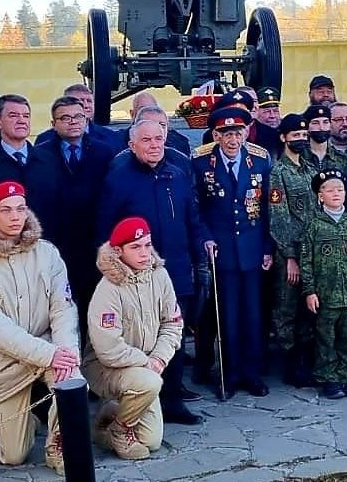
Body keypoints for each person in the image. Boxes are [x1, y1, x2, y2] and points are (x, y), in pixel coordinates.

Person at [0, 181, 80, 473]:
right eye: (6, 210)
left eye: (21, 209)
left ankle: (60, 444)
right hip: (6, 363)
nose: (15, 217)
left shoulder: (48, 253)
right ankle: (25, 420)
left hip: (49, 348)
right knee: (14, 455)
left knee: (71, 380)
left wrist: (65, 352)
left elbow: (63, 308)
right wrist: (48, 354)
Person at [96, 118, 211, 424]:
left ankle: (173, 401)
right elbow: (105, 230)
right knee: (141, 337)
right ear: (132, 145)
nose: (154, 145)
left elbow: (192, 220)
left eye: (159, 139)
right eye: (146, 140)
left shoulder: (178, 174)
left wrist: (200, 251)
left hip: (177, 271)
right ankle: (143, 401)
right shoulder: (118, 180)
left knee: (173, 336)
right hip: (135, 276)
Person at [85, 217, 184, 460]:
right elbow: (108, 349)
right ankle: (120, 430)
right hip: (108, 368)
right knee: (149, 383)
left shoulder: (160, 276)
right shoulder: (108, 288)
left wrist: (158, 359)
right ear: (118, 252)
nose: (144, 253)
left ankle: (110, 416)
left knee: (151, 441)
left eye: (147, 245)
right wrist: (146, 362)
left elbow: (173, 323)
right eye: (135, 247)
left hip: (146, 369)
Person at [191, 107, 273, 397]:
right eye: (226, 134)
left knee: (253, 315)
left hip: (252, 249)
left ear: (246, 133)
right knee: (227, 316)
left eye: (237, 133)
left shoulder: (260, 160)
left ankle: (252, 373)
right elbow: (197, 207)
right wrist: (206, 238)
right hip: (221, 250)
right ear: (216, 135)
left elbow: (267, 208)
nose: (232, 140)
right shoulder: (201, 162)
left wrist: (267, 247)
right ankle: (230, 374)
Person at [35, 95, 113, 348]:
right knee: (57, 310)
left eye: (78, 117)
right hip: (56, 243)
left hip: (94, 243)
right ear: (53, 123)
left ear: (86, 118)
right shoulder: (41, 154)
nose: (73, 122)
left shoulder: (103, 152)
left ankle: (94, 362)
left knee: (94, 310)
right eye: (65, 118)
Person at [301, 169, 347, 399]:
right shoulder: (314, 226)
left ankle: (346, 375)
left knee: (346, 338)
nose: (336, 193)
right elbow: (306, 261)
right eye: (330, 190)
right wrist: (309, 291)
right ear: (320, 196)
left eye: (340, 189)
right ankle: (329, 378)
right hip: (325, 295)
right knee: (325, 339)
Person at [0, 94, 63, 242]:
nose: (21, 120)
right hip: (0, 248)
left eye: (26, 116)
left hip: (44, 246)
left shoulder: (50, 161)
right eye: (13, 115)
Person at [268, 114, 317, 386]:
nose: (301, 139)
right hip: (289, 252)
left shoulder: (310, 169)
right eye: (295, 135)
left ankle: (306, 361)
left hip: (311, 250)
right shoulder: (279, 173)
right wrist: (289, 257)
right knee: (286, 308)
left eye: (304, 135)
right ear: (283, 138)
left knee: (308, 307)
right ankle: (289, 363)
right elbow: (279, 217)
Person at [36, 83, 121, 152]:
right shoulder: (44, 139)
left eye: (89, 101)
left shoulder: (111, 137)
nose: (86, 105)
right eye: (81, 101)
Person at [303, 104, 347, 173]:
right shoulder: (299, 157)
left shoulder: (343, 159)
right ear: (307, 127)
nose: (321, 127)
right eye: (315, 123)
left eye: (325, 122)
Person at [251, 86, 284, 154]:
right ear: (256, 112)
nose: (272, 116)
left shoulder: (285, 128)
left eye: (275, 111)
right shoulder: (252, 133)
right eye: (267, 111)